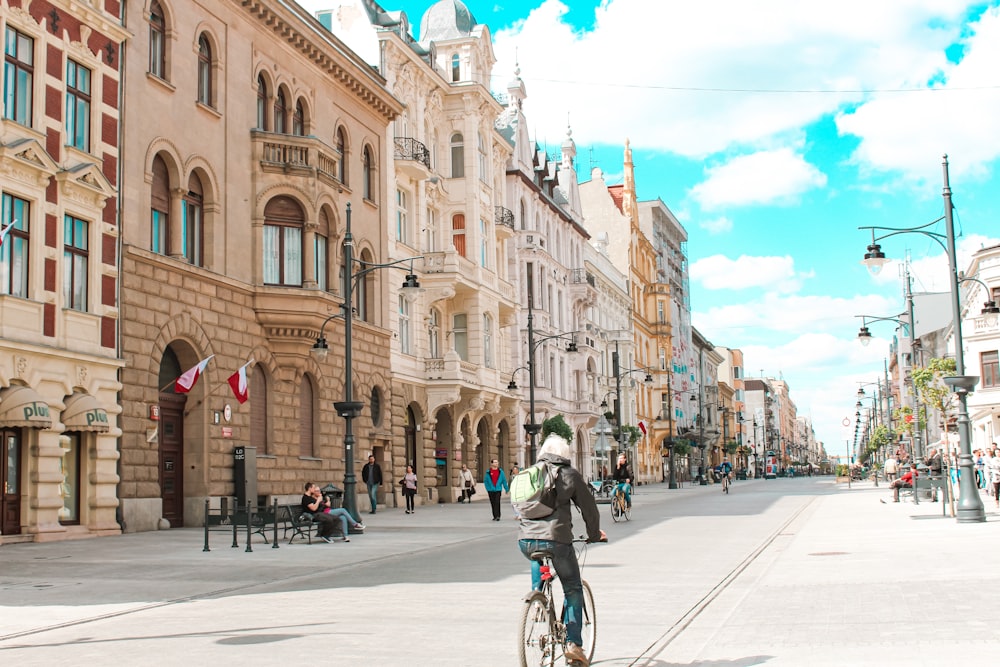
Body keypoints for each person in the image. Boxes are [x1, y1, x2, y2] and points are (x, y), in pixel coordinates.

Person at [518, 434, 606, 667]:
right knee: (573, 588)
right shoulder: (569, 474)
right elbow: (589, 509)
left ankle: (538, 598)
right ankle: (573, 645)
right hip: (557, 540)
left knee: (538, 556)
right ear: (565, 454)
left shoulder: (531, 472)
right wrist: (595, 534)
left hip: (526, 540)